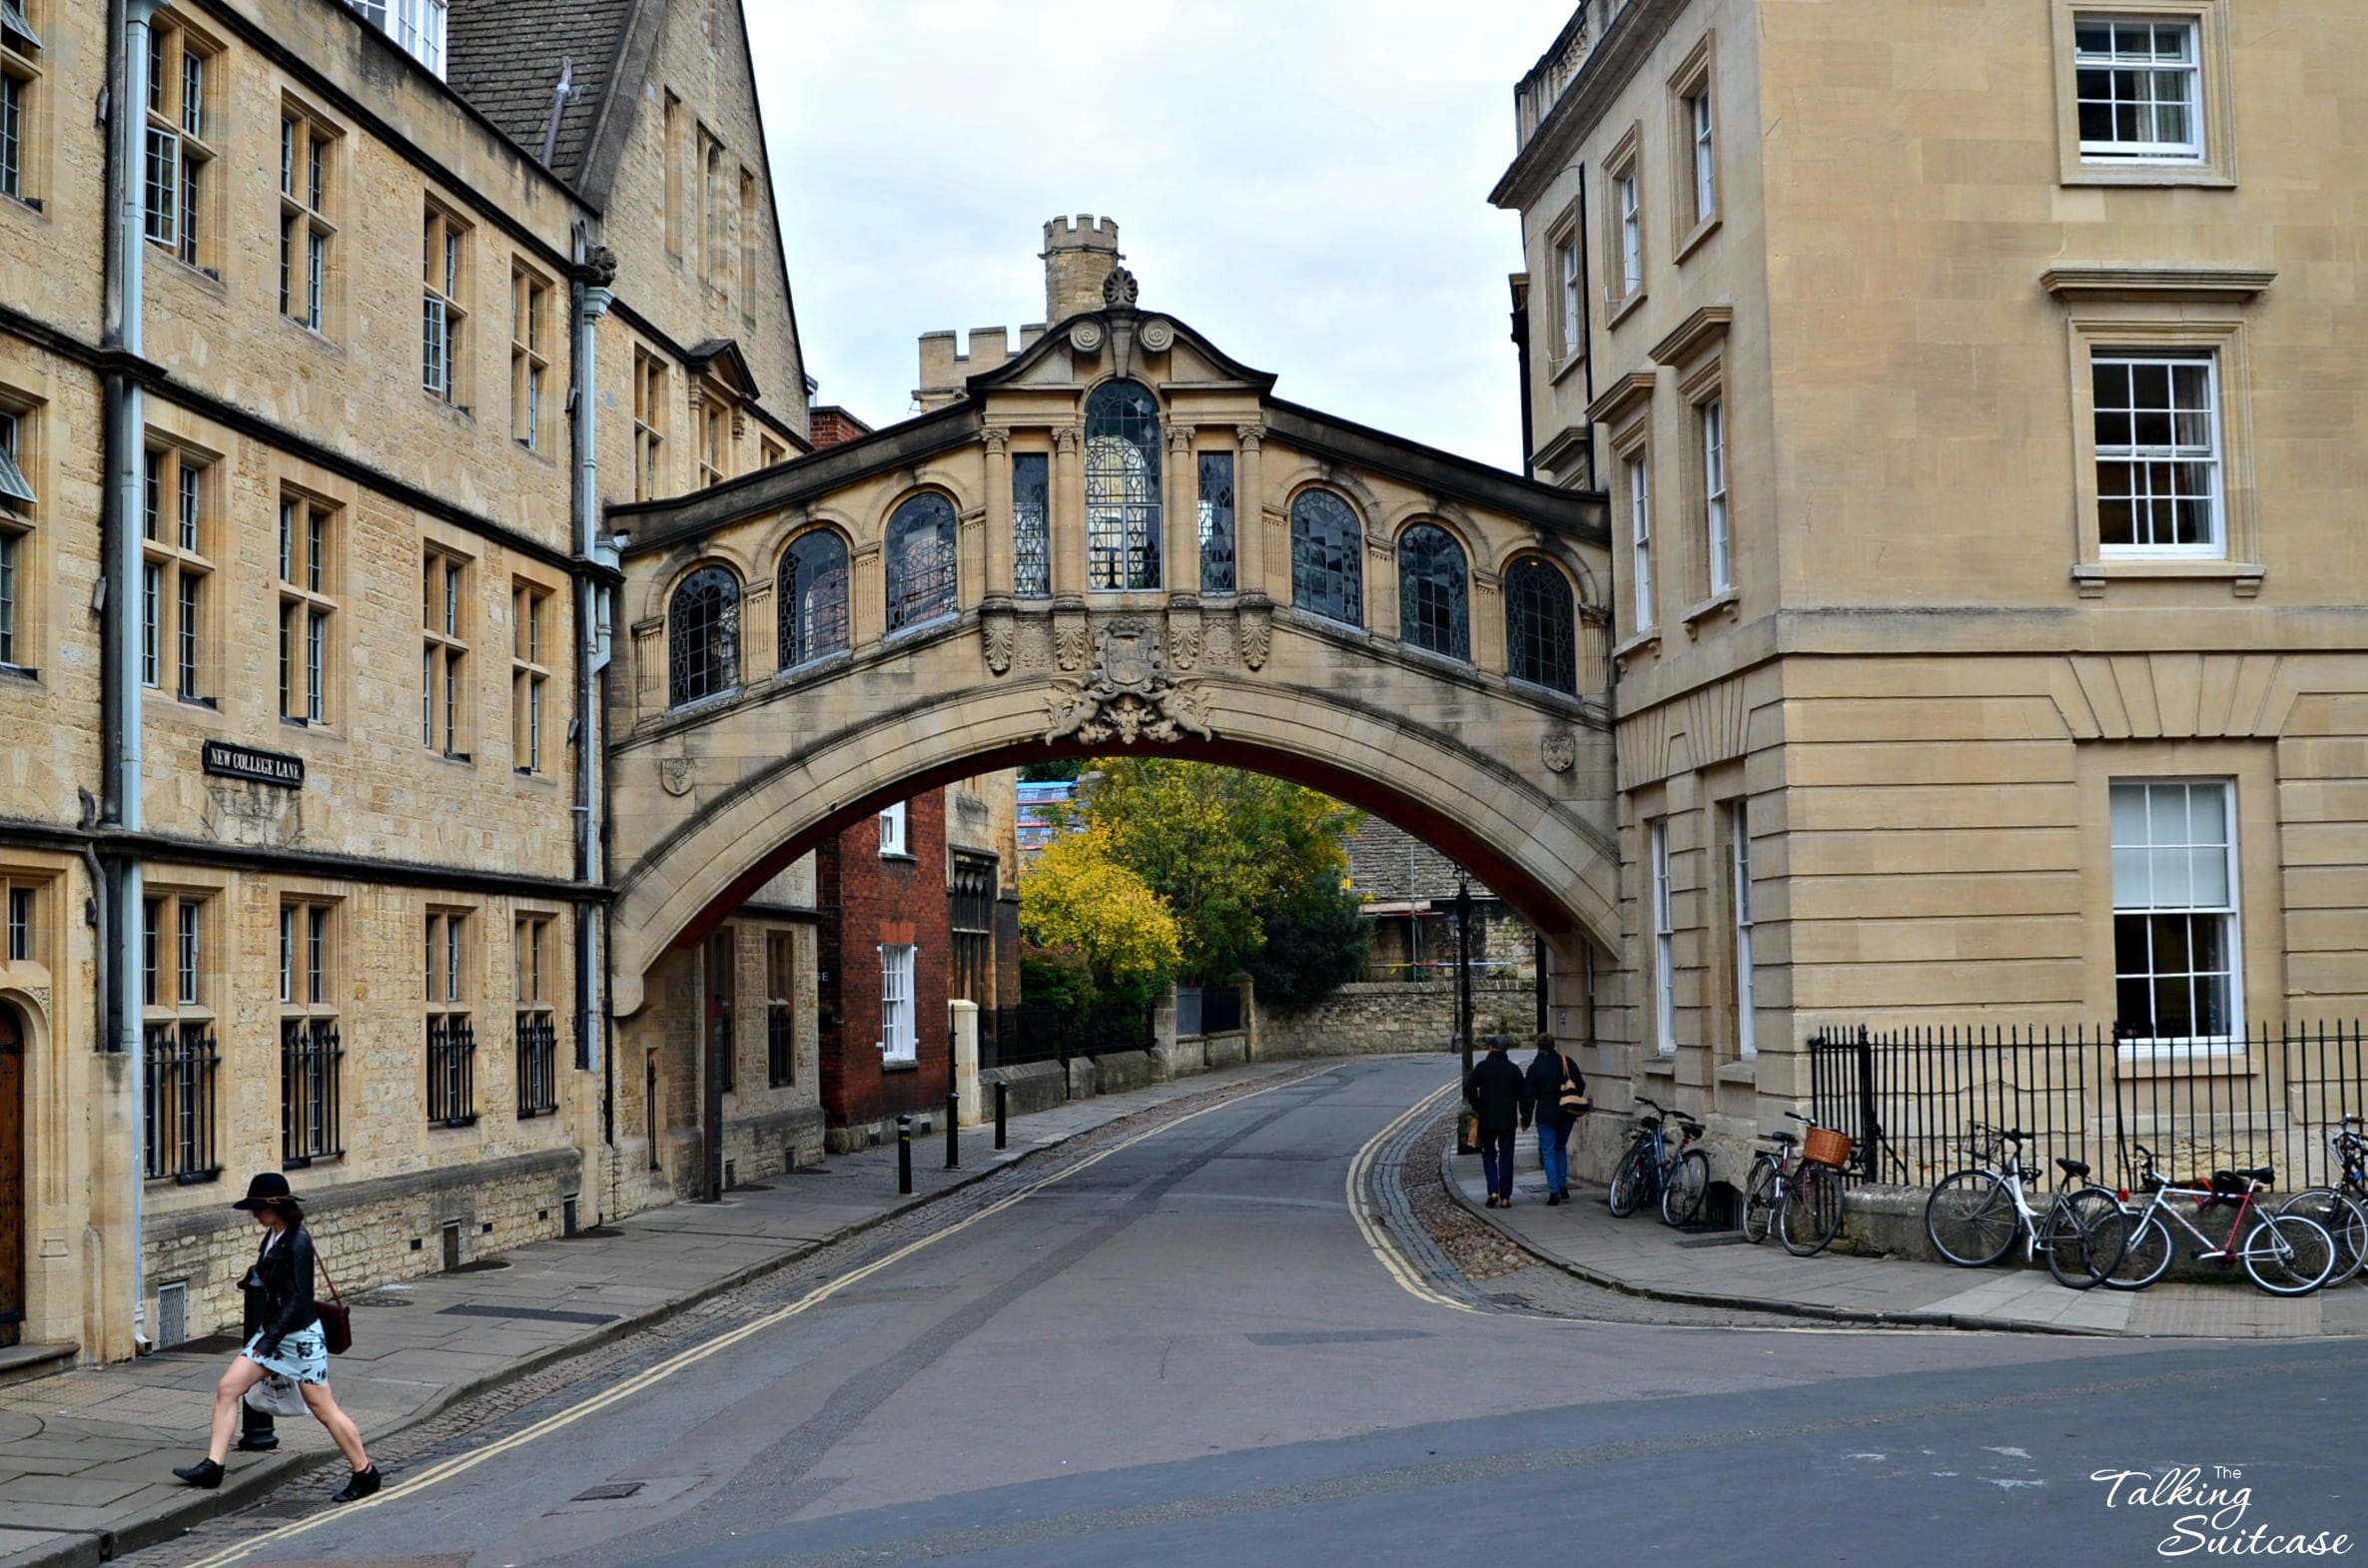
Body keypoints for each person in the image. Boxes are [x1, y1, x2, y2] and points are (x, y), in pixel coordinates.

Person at [174, 1174, 381, 1502]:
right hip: (272, 1332)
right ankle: (214, 1466)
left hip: (299, 1337)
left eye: (257, 1208)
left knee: (323, 1409)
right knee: (228, 1388)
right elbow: (273, 1277)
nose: (253, 1214)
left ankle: (365, 1471)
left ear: (276, 1206)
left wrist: (268, 1340)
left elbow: (298, 1299)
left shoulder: (297, 1241)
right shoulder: (273, 1234)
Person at [1463, 1035, 1531, 1208]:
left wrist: (1478, 1105)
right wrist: (1525, 1117)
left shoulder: (1482, 1067)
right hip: (1508, 1120)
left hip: (1487, 1119)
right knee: (1506, 1157)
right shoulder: (1513, 1070)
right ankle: (1506, 1197)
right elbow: (1523, 1097)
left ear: (1492, 1048)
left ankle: (1493, 1191)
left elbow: (1470, 1087)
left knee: (1489, 1155)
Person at [1524, 1033, 1583, 1204]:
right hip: (1566, 1112)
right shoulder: (1566, 1062)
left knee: (1548, 1151)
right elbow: (1580, 1084)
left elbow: (1528, 1096)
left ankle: (1553, 1191)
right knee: (1560, 1148)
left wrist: (1526, 1118)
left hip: (1545, 1113)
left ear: (1539, 1047)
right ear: (1553, 1045)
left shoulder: (1535, 1067)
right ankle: (1563, 1186)